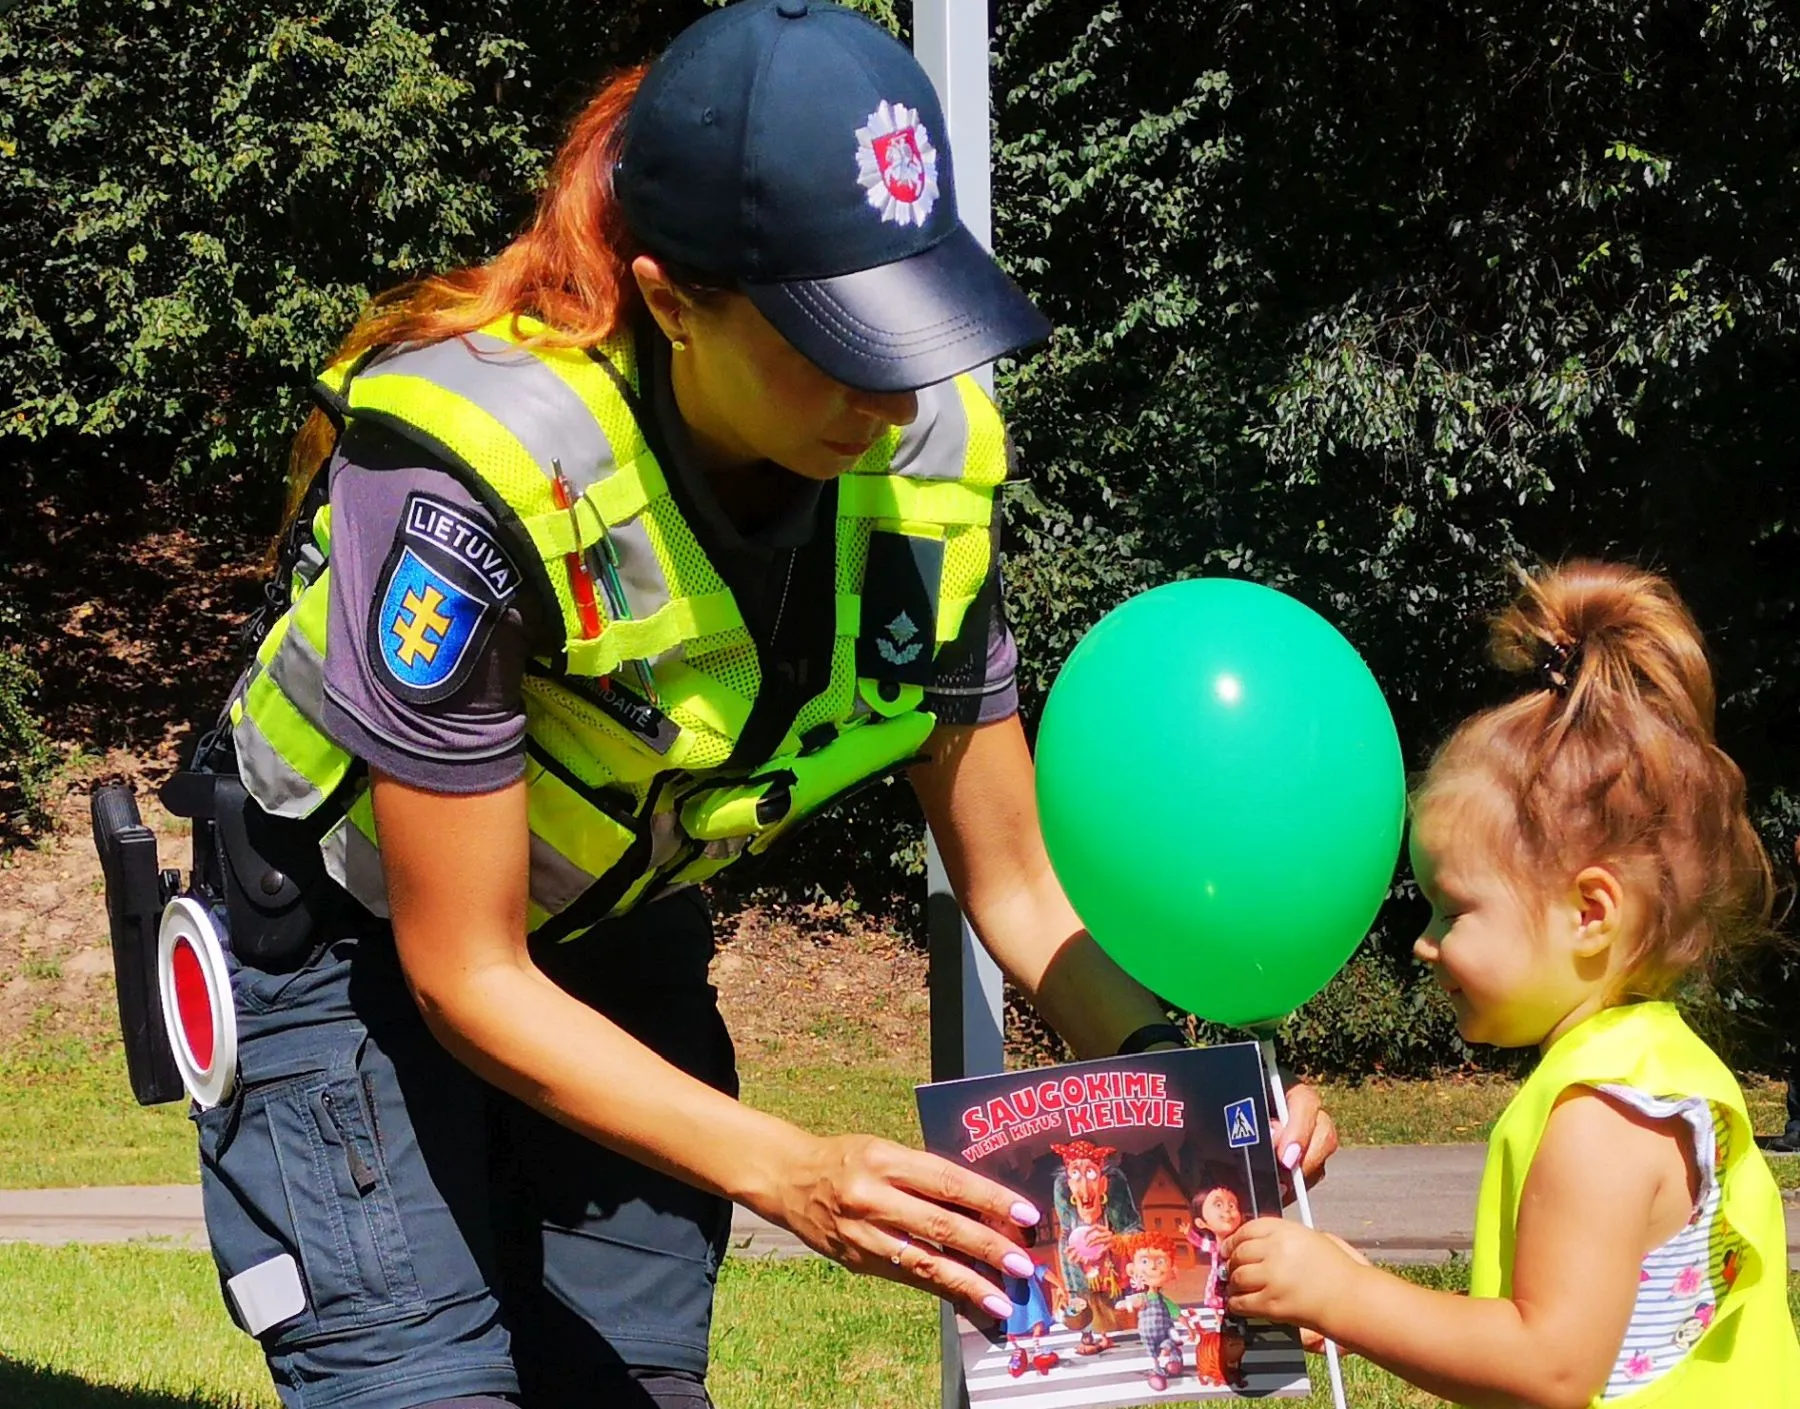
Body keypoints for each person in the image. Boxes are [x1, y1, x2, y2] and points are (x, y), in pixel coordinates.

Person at [167, 5, 1338, 1409]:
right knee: (422, 1388)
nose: (893, 394)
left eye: (913, 326)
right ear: (670, 300)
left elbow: (1019, 889)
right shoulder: (470, 487)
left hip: (607, 937)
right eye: (836, 340)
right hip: (346, 961)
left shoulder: (927, 482)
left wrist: (1189, 1090)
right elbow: (461, 971)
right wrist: (790, 1167)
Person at [1223, 561, 1800, 1406]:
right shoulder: (1661, 1071)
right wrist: (1364, 1291)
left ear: (1590, 911)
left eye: (1452, 911)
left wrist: (1348, 1299)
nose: (1423, 944)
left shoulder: (1602, 1115)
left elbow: (1549, 1370)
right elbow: (1551, 1329)